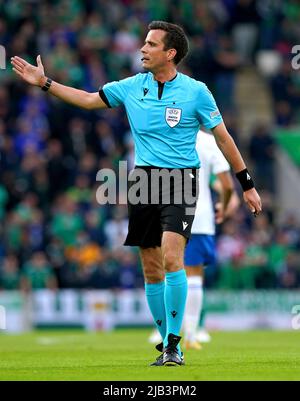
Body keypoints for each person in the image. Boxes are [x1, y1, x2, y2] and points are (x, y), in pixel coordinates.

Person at [11, 20, 262, 367]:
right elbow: (87, 99)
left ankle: (176, 343)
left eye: (151, 44)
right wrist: (45, 83)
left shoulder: (196, 91)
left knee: (174, 259)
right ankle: (164, 340)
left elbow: (223, 138)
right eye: (143, 43)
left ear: (170, 53)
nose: (142, 49)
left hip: (179, 181)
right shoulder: (131, 87)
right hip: (144, 183)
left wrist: (246, 184)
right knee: (151, 268)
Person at [148, 130, 239, 349]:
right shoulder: (209, 142)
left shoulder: (164, 135)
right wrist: (225, 206)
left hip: (167, 213)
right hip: (200, 216)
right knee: (194, 274)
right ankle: (191, 333)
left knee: (166, 270)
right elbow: (225, 185)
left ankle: (169, 329)